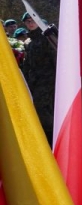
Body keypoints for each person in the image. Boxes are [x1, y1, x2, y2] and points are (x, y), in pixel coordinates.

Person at [19, 11, 56, 143]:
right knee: (37, 112)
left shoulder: (47, 37)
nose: (30, 23)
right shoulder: (28, 42)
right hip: (34, 82)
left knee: (44, 112)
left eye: (32, 20)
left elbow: (56, 59)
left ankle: (51, 140)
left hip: (48, 81)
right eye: (27, 21)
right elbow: (27, 64)